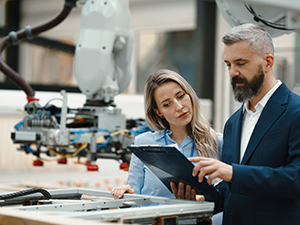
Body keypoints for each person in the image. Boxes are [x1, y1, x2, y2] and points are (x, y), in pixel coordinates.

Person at [173, 23, 300, 225]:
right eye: (228, 64)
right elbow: (234, 188)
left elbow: (296, 178)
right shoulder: (233, 123)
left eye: (240, 63)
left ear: (267, 63)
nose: (233, 72)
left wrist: (232, 172)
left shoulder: (295, 112)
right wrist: (204, 201)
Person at [111, 69, 223, 213]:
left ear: (190, 94)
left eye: (181, 96)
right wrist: (125, 195)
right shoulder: (143, 143)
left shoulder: (218, 143)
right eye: (166, 104)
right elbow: (133, 200)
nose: (179, 106)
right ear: (158, 112)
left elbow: (228, 198)